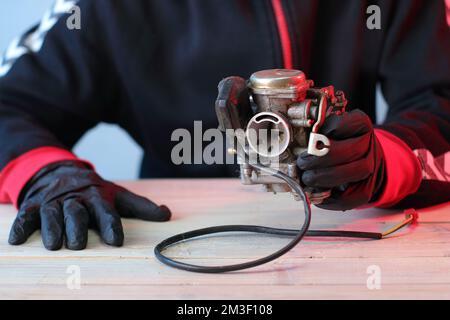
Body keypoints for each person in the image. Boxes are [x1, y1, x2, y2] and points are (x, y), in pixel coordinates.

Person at [0, 0, 449, 251]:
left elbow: (441, 96)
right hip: (170, 243)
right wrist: (47, 175)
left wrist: (385, 163)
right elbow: (9, 105)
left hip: (344, 242)